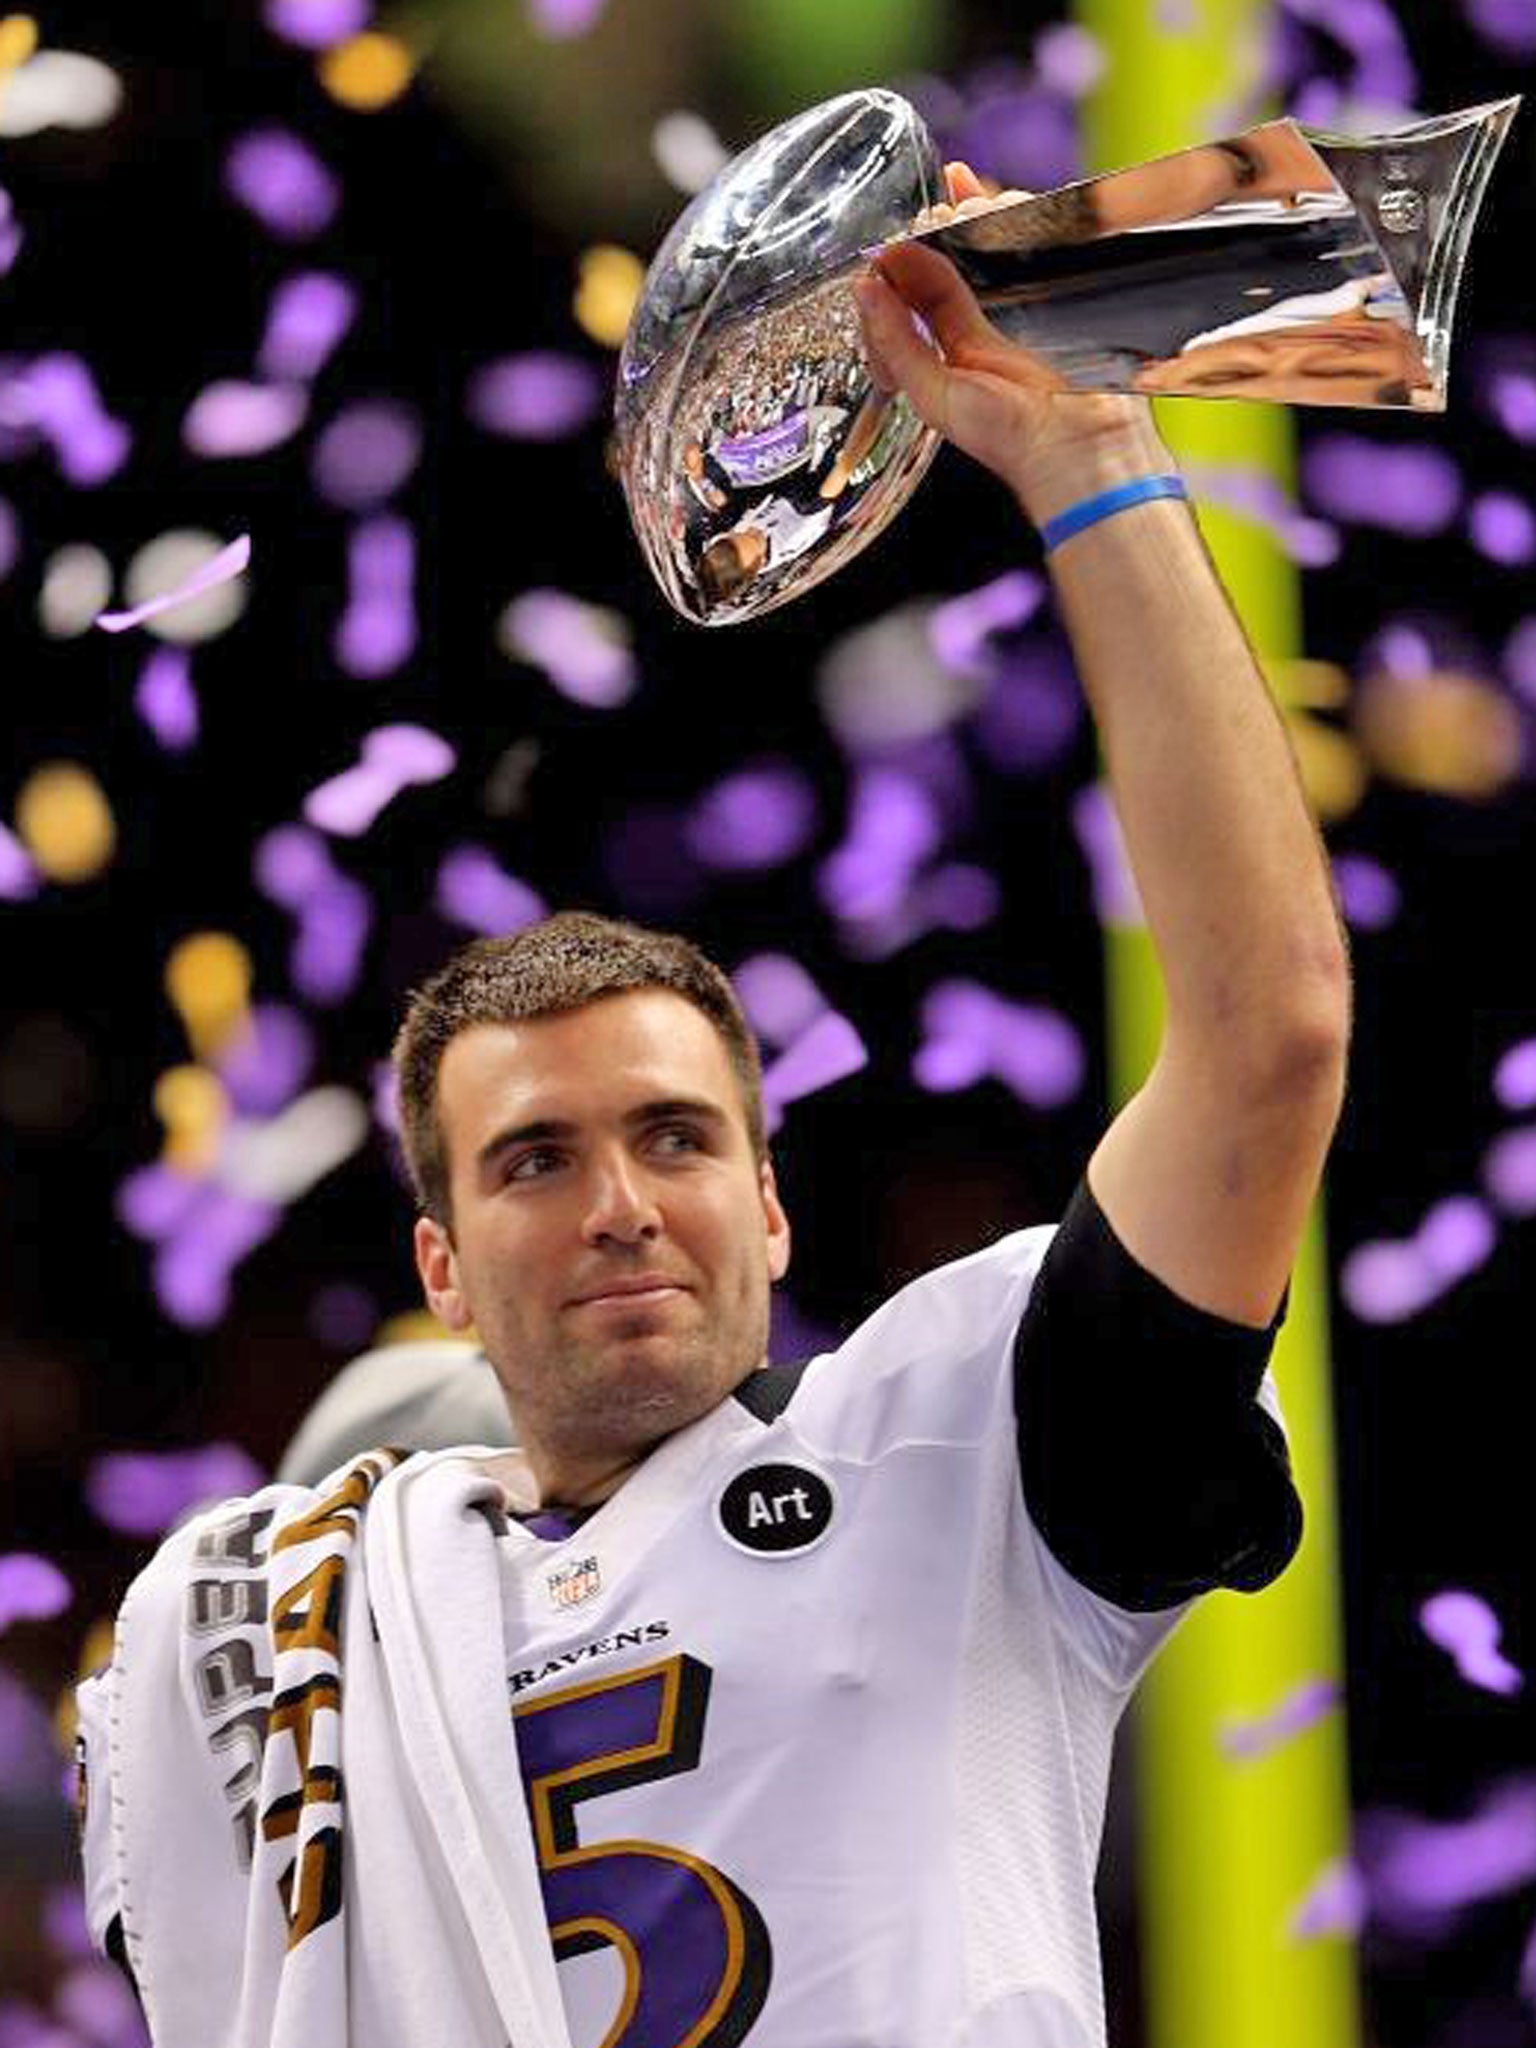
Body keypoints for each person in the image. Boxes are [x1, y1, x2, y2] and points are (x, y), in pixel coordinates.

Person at [73, 159, 1351, 2048]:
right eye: (534, 1159)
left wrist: (1092, 462)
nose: (617, 1201)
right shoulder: (272, 1628)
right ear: (438, 1263)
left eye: (677, 1138)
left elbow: (1269, 1034)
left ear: (771, 1206)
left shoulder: (962, 1458)